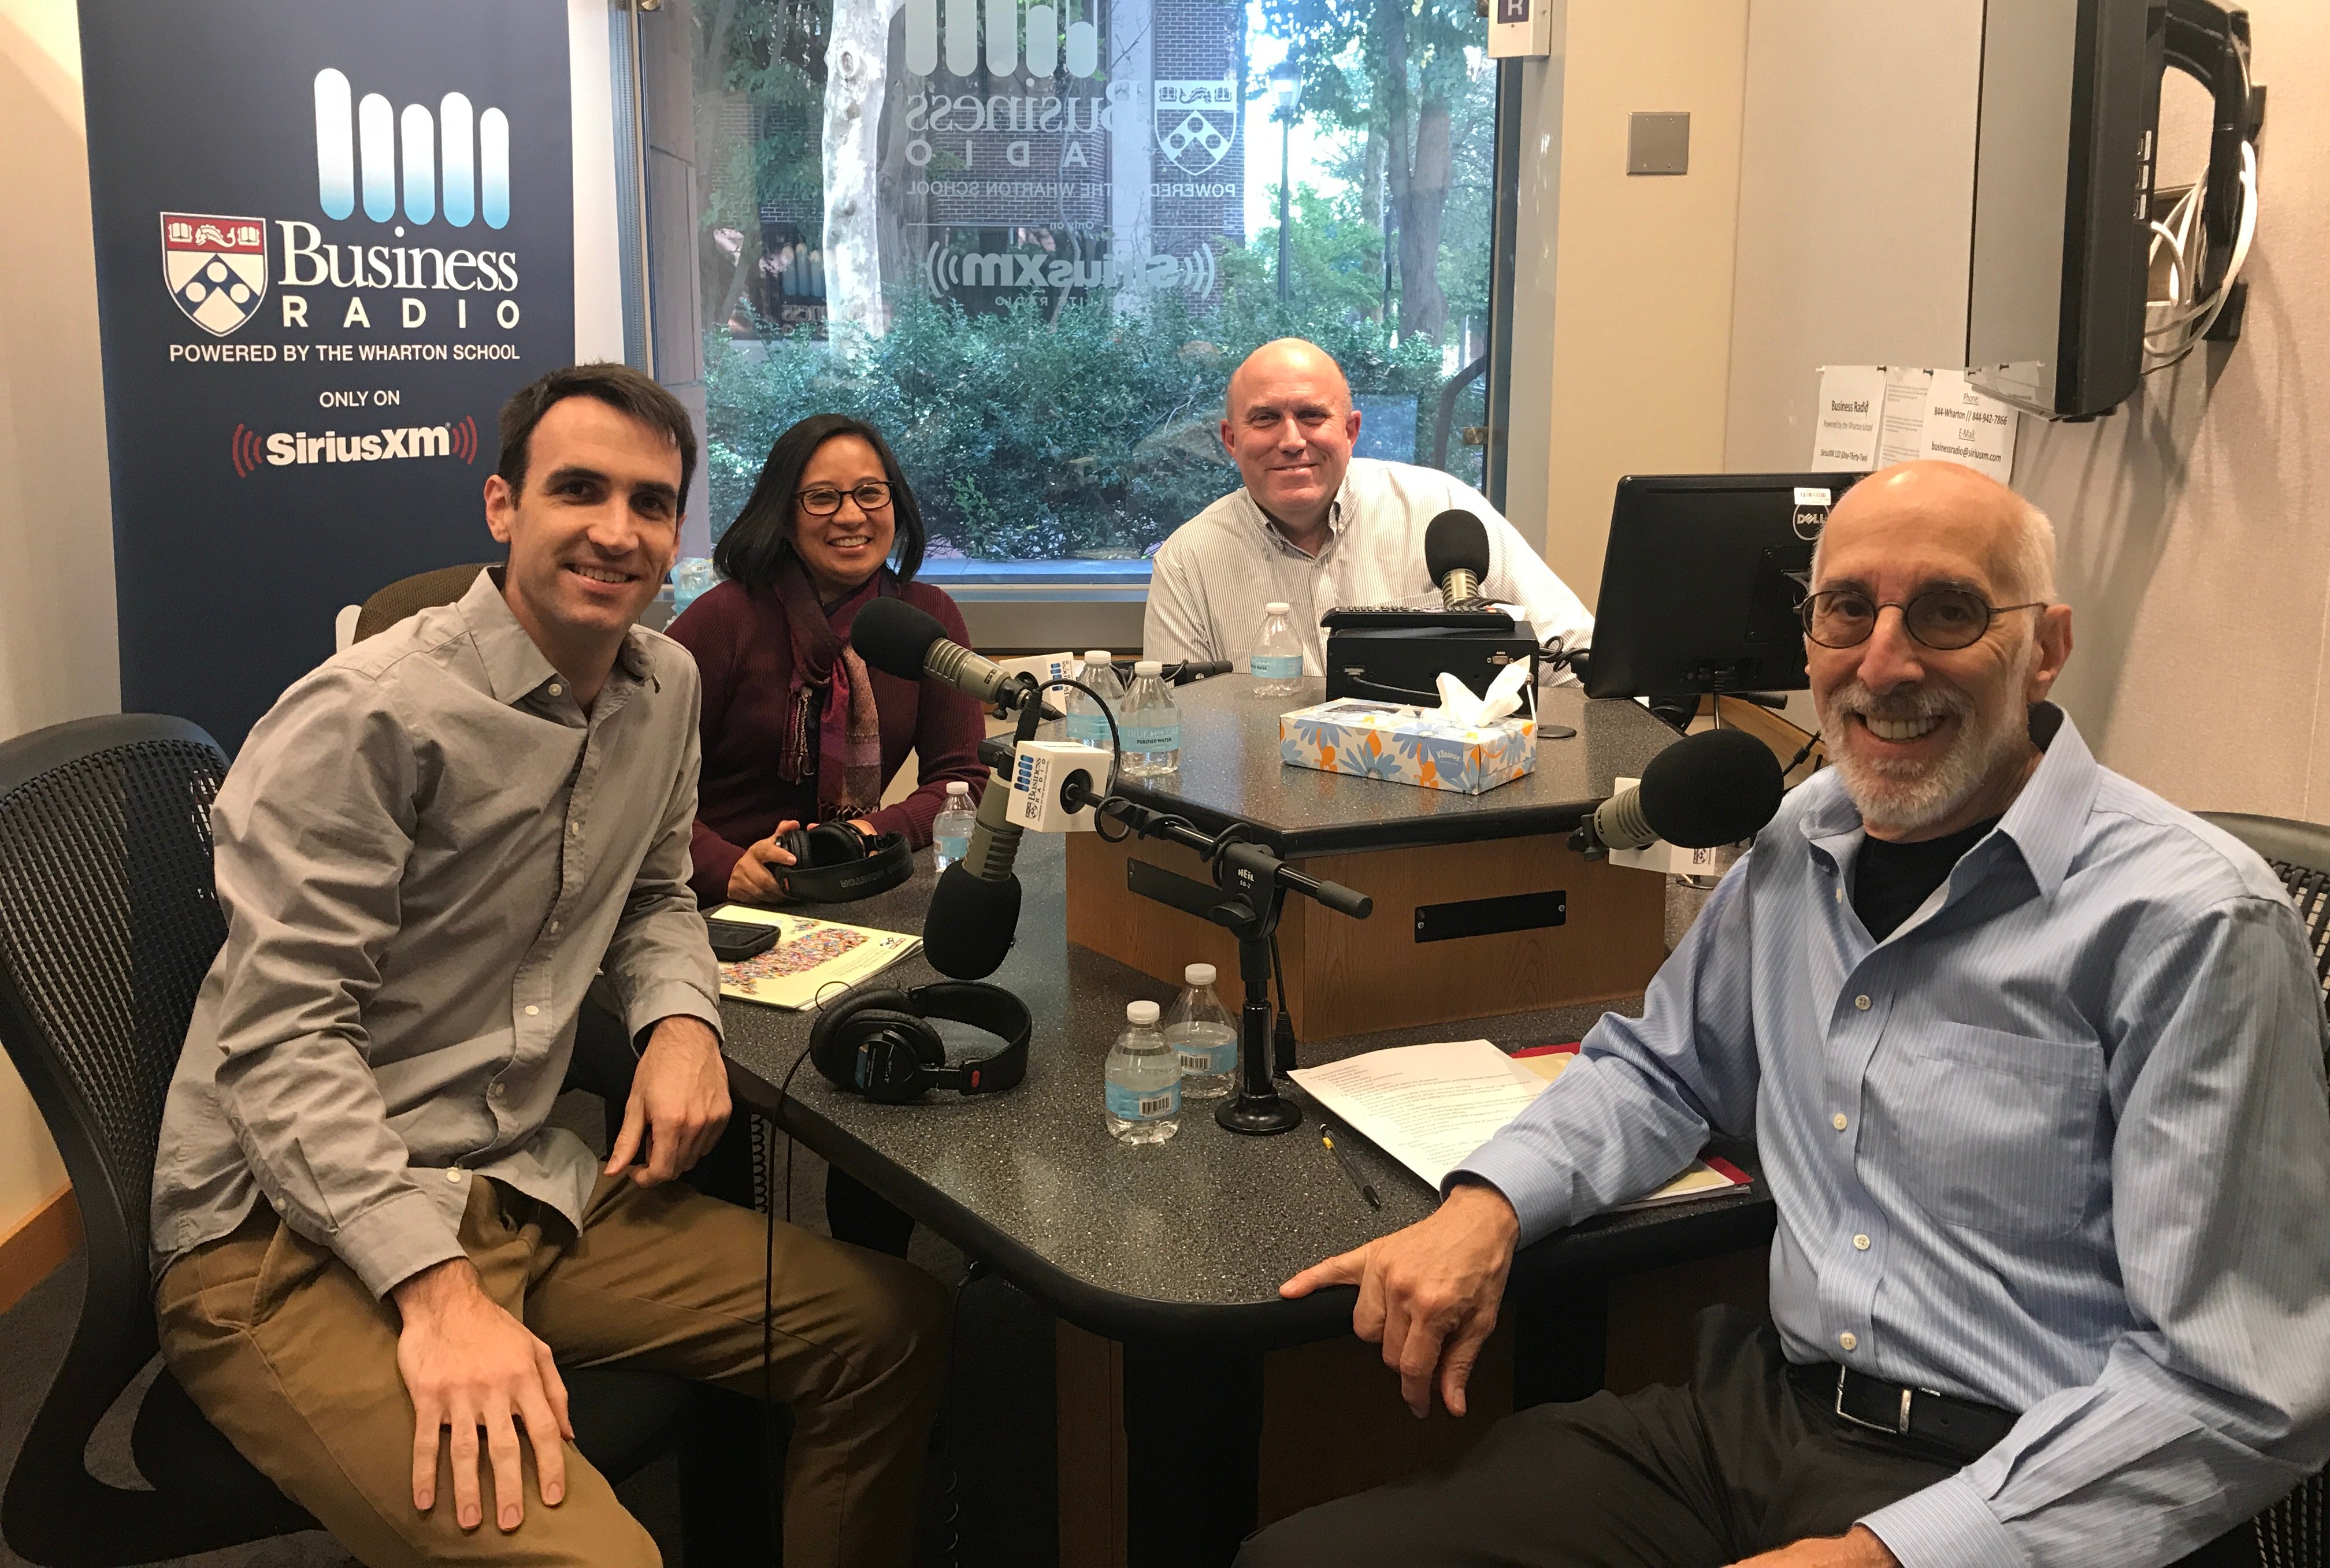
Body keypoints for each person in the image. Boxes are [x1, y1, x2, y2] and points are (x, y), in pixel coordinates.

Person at [1244, 460, 2330, 1568]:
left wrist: (1885, 1553)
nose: (1884, 660)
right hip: (1770, 1419)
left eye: (1948, 611)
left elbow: (2233, 1385)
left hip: (2038, 1477)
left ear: (2044, 646)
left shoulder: (2192, 921)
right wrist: (1489, 1205)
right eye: (1846, 609)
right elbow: (1661, 1069)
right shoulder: (1807, 831)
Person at [150, 365, 948, 1568]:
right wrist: (435, 1291)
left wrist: (682, 1025)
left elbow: (658, 893)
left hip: (515, 1181)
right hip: (288, 1234)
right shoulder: (367, 716)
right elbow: (284, 1040)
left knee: (891, 1325)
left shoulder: (660, 682)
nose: (617, 531)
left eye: (650, 502)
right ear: (500, 507)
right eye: (579, 490)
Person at [667, 412, 988, 911]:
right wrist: (727, 869)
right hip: (714, 903)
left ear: (895, 504)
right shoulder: (722, 620)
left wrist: (866, 833)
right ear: (784, 516)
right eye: (822, 498)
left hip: (857, 887)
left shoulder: (926, 617)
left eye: (869, 493)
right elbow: (639, 795)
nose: (851, 516)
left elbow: (964, 783)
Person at [1142, 337, 1593, 678]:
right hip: (1262, 797)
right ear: (1231, 440)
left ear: (1351, 431)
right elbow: (1177, 726)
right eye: (1265, 419)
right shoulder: (1189, 562)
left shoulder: (1444, 510)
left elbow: (1578, 658)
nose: (1292, 441)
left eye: (1313, 416)